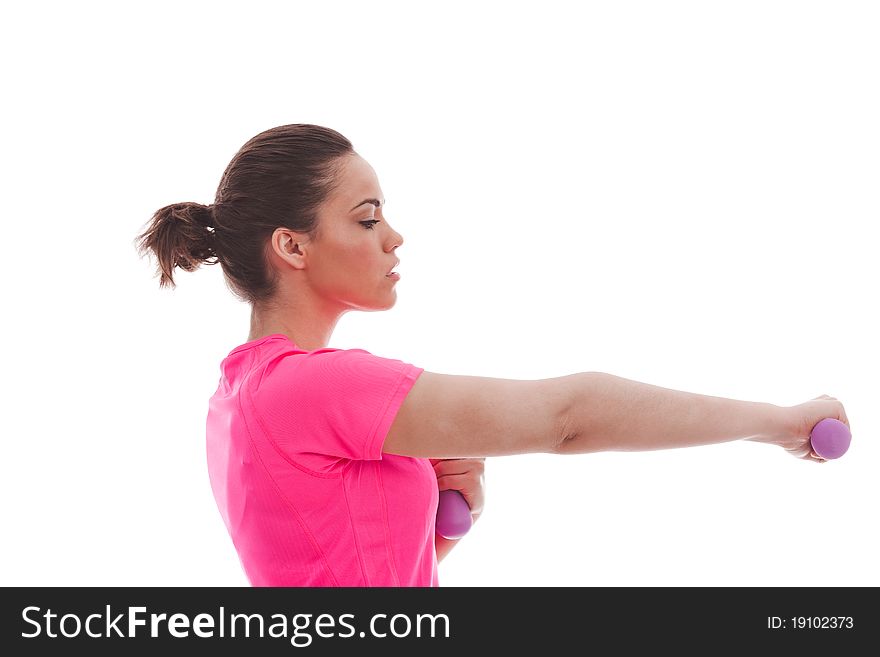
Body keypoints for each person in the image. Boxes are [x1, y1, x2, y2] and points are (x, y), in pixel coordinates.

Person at [134, 124, 850, 587]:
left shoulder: (235, 397)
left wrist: (438, 525)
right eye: (368, 218)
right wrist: (782, 422)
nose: (395, 238)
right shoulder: (313, 388)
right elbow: (568, 417)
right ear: (291, 245)